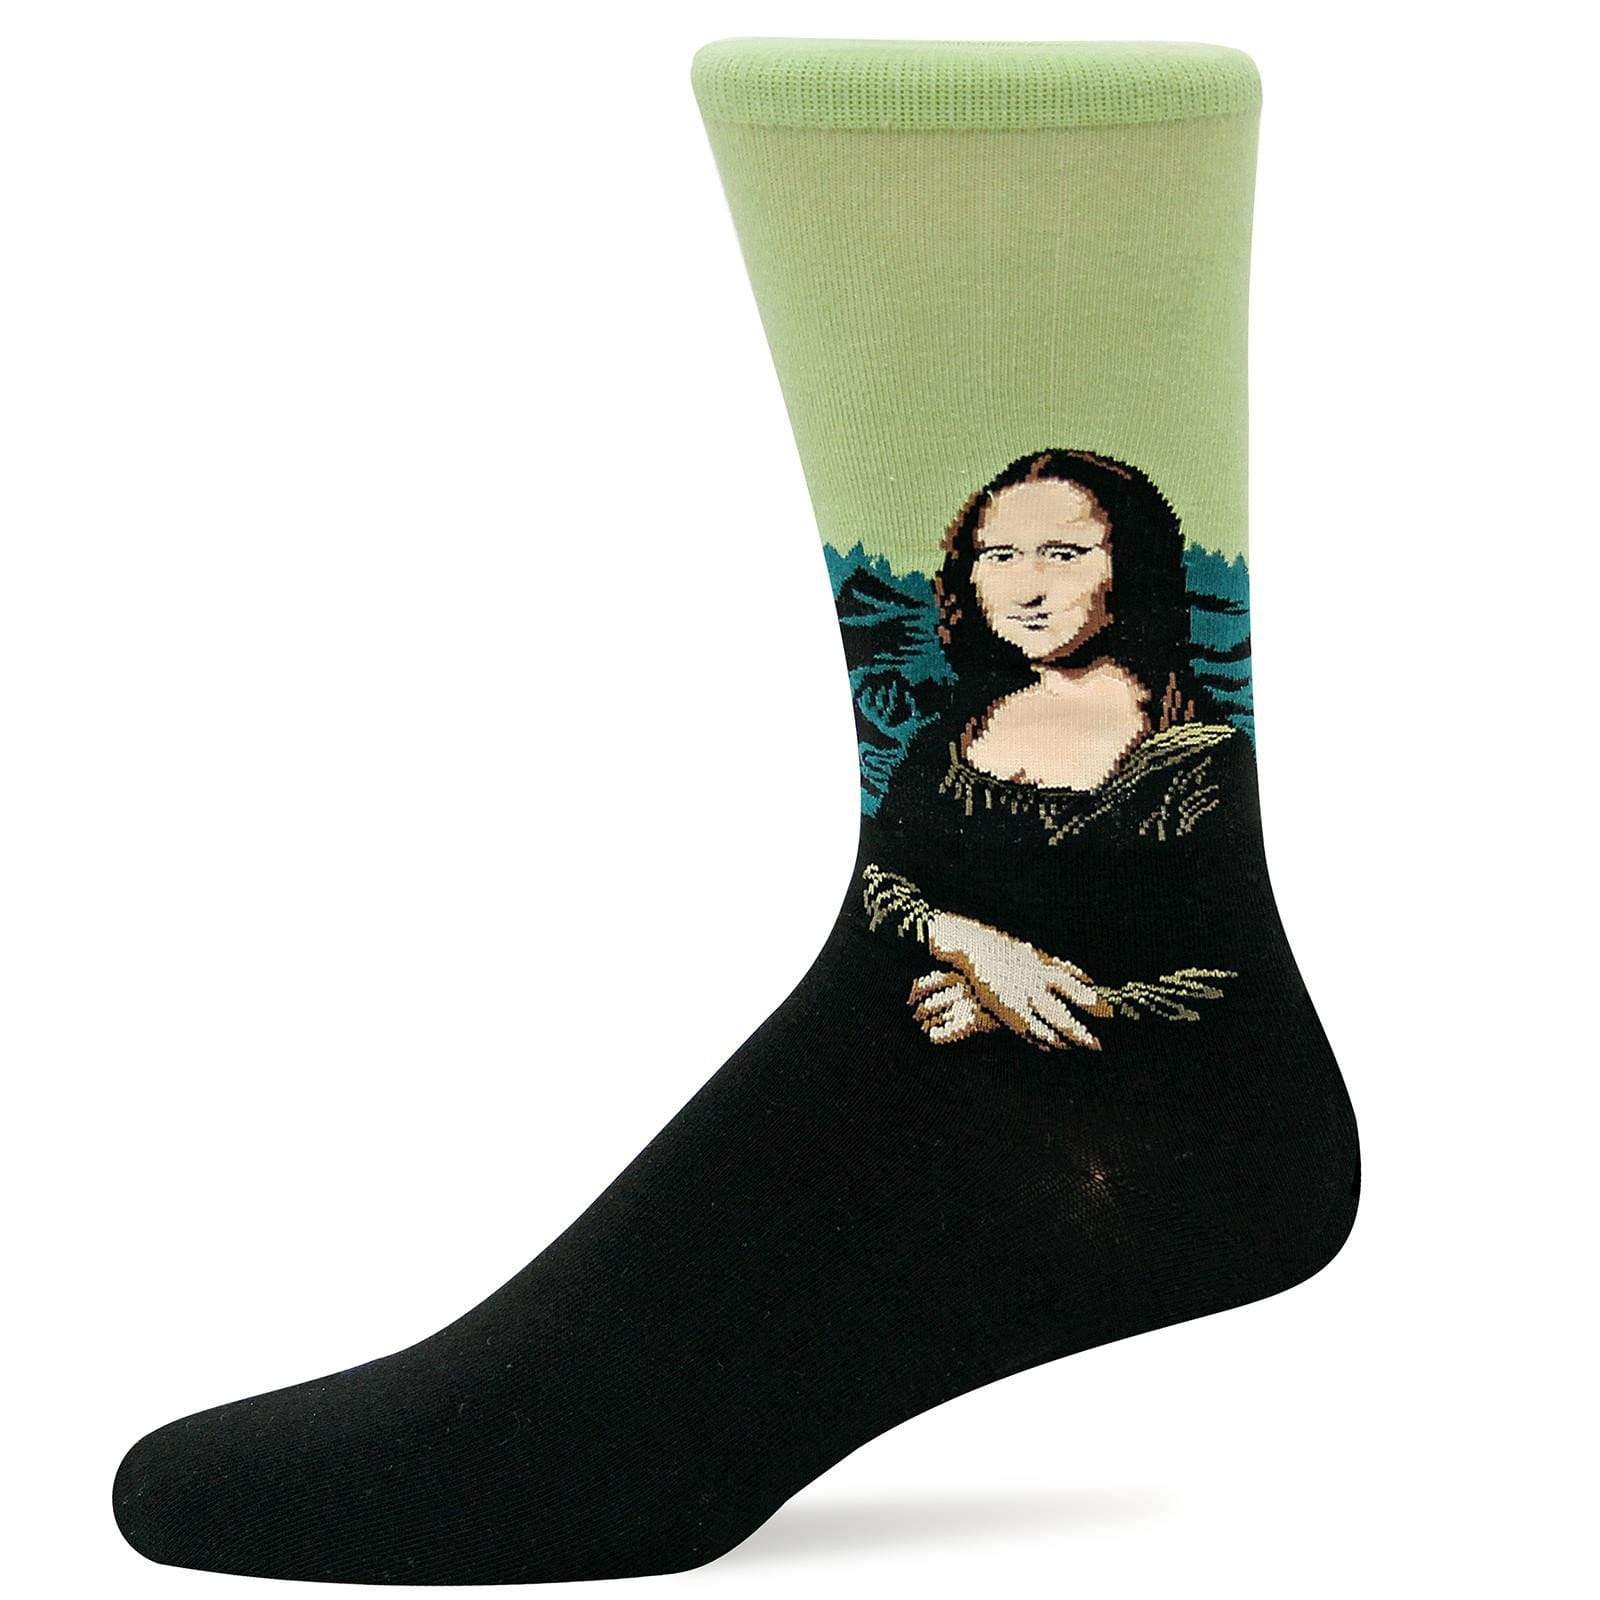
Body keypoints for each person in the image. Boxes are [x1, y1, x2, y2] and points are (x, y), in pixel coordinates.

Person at [859, 448, 1257, 1052]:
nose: (1027, 589)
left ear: (1131, 564)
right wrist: (971, 946)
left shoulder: (1201, 763)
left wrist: (1013, 1009)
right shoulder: (952, 739)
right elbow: (879, 884)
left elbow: (1231, 978)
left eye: (1064, 554)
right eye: (1000, 556)